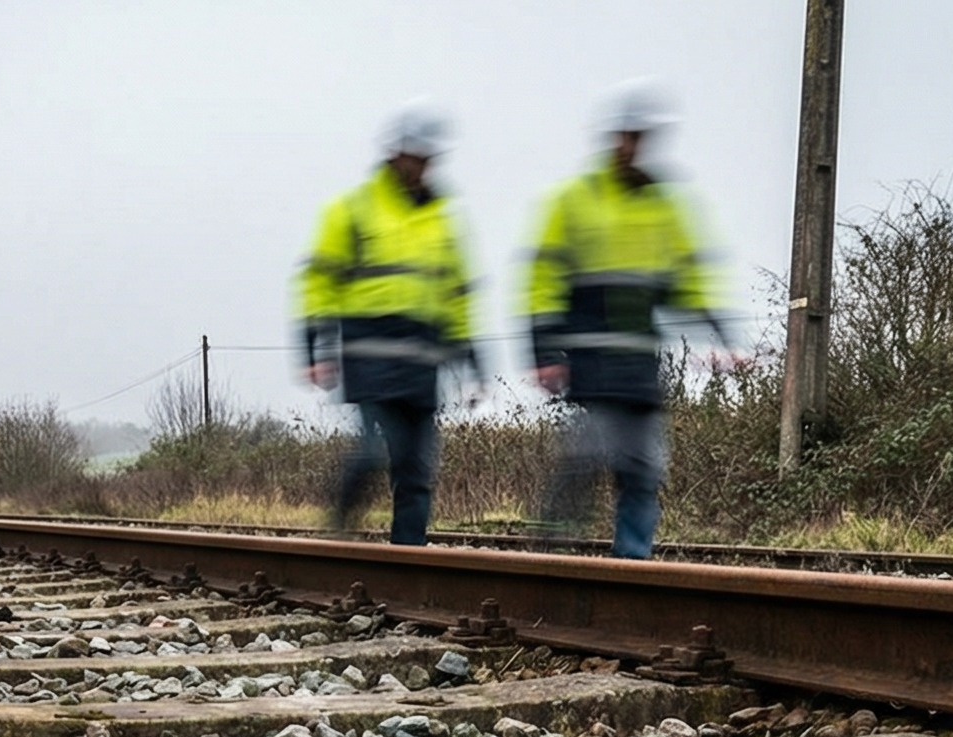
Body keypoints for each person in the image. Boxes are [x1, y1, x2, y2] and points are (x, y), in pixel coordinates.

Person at [525, 81, 737, 558]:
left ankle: (632, 566)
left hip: (640, 365)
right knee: (585, 460)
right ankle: (549, 549)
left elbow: (691, 277)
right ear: (614, 139)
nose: (633, 146)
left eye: (641, 137)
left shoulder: (666, 205)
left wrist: (721, 336)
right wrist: (543, 352)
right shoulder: (574, 200)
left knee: (643, 469)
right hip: (592, 361)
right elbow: (543, 278)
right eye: (627, 136)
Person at [298, 101, 480, 545]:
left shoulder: (441, 218)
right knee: (373, 452)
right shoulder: (354, 210)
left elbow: (456, 295)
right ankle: (342, 518)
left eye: (427, 159)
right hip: (370, 358)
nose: (420, 166)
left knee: (417, 471)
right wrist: (313, 351)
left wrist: (472, 363)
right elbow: (320, 280)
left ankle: (409, 559)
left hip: (422, 364)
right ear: (395, 154)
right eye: (414, 156)